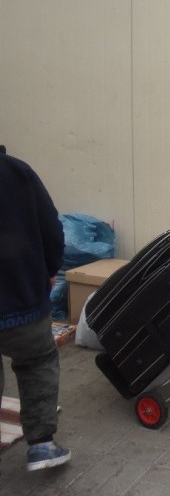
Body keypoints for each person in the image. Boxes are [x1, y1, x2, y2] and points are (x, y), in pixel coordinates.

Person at [0, 150, 71, 470]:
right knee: (36, 362)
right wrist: (51, 267)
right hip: (20, 296)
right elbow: (51, 229)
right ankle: (42, 445)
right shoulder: (16, 172)